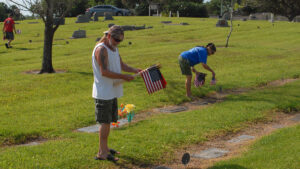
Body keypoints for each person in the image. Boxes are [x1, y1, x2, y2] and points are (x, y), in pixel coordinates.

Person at [92, 25, 141, 162]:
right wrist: (124, 77)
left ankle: (105, 148)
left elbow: (121, 65)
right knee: (105, 122)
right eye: (116, 40)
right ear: (108, 36)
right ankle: (102, 152)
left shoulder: (113, 48)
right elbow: (104, 72)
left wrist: (135, 70)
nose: (118, 43)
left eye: (120, 41)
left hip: (112, 90)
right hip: (103, 92)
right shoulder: (101, 49)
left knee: (109, 121)